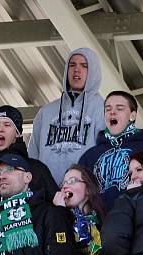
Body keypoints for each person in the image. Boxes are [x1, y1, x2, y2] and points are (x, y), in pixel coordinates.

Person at [29, 48, 105, 185]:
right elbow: (33, 157)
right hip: (48, 196)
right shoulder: (46, 112)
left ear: (94, 72)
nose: (77, 70)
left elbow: (106, 156)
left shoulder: (103, 109)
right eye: (72, 65)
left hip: (86, 195)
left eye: (84, 66)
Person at [78, 90, 143, 210]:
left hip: (140, 220)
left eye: (119, 108)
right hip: (100, 225)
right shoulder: (89, 156)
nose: (112, 112)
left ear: (132, 116)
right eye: (108, 109)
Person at [0, 105, 58, 197]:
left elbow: (56, 204)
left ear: (18, 133)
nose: (0, 129)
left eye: (7, 125)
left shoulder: (36, 169)